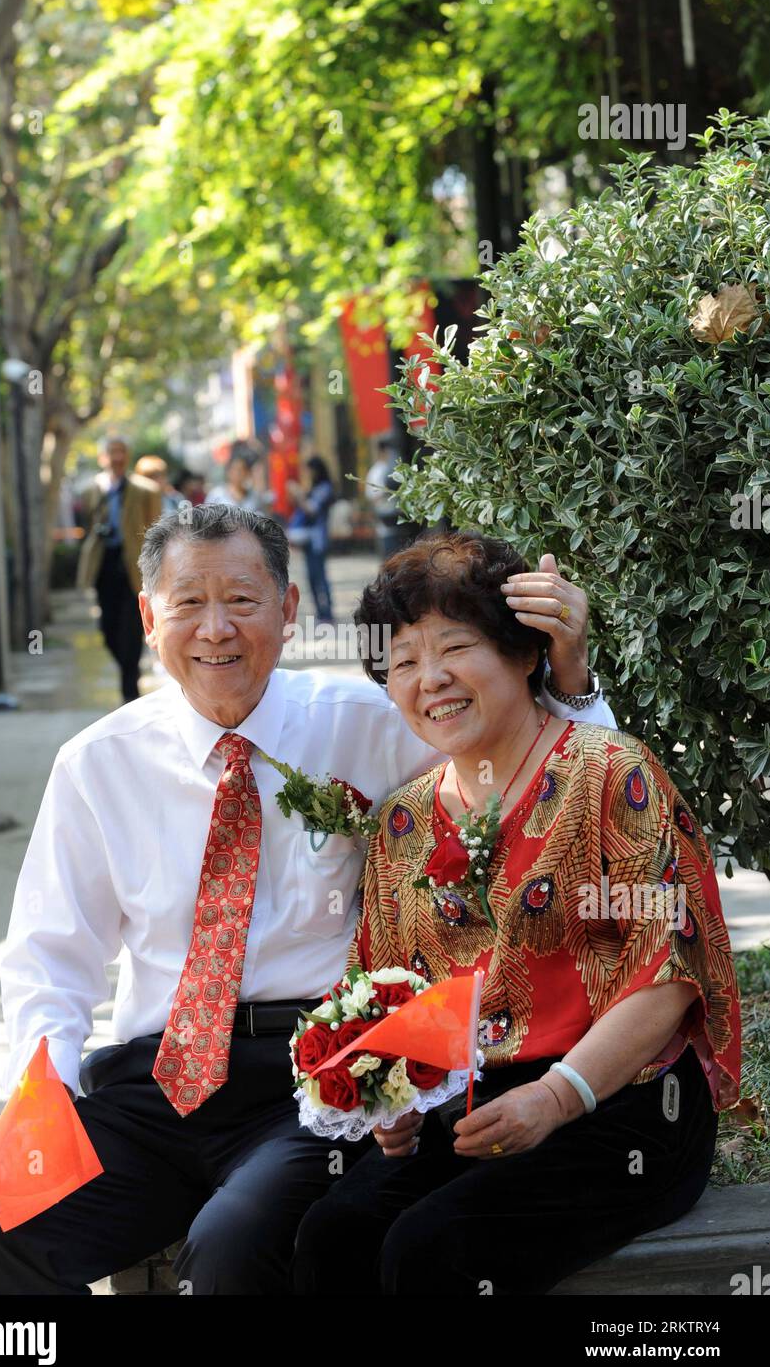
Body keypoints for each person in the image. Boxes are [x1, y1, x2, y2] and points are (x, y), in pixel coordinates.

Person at [0, 507, 612, 1296]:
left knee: (233, 1247)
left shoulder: (372, 723)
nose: (215, 629)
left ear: (288, 612)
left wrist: (570, 679)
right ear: (150, 614)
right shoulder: (97, 763)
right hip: (152, 1085)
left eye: (243, 601)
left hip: (312, 1081)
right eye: (188, 602)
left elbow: (547, 781)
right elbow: (51, 956)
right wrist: (41, 1097)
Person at [292, 530, 742, 1297]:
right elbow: (388, 988)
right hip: (475, 1106)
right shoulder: (402, 819)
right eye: (402, 662)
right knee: (331, 1237)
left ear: (527, 654)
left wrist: (559, 1094)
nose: (428, 679)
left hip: (621, 1104)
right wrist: (387, 1097)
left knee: (433, 1251)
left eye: (455, 648)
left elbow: (666, 977)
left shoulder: (608, 772)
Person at [76, 436, 162, 703]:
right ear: (103, 457)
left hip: (134, 567)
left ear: (128, 456)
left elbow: (156, 530)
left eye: (121, 451)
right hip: (104, 563)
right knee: (107, 628)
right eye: (111, 452)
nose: (116, 457)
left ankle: (130, 688)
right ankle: (129, 668)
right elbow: (86, 527)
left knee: (131, 626)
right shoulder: (91, 490)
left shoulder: (145, 490)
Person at [287, 456, 335, 623]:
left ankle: (327, 612)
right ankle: (320, 612)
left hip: (317, 540)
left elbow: (311, 509)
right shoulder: (313, 488)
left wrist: (299, 494)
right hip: (308, 540)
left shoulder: (325, 488)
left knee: (320, 577)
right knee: (311, 578)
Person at [205, 453, 269, 513]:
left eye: (242, 470)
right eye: (235, 469)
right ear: (228, 471)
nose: (238, 474)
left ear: (247, 473)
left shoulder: (254, 497)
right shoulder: (216, 494)